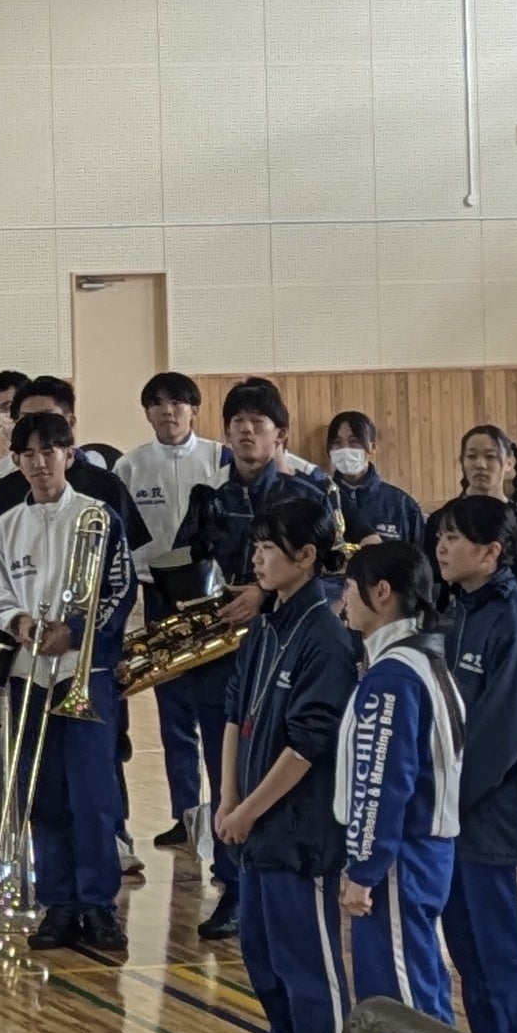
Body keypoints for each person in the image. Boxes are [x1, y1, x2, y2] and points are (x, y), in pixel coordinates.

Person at [0, 406, 132, 958]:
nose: (39, 463)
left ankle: (98, 904)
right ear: (16, 461)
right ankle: (58, 903)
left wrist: (74, 631)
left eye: (49, 451)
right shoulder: (7, 526)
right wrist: (21, 623)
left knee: (93, 796)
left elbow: (119, 589)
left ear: (69, 455)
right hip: (29, 676)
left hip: (84, 674)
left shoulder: (98, 517)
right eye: (27, 454)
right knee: (43, 793)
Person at [217, 507, 360, 1033]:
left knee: (308, 963)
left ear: (306, 557)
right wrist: (227, 799)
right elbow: (234, 714)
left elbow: (308, 744)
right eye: (256, 547)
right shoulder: (266, 626)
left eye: (270, 548)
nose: (257, 558)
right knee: (264, 957)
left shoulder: (324, 635)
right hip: (253, 825)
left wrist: (248, 810)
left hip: (298, 829)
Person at [181, 383, 335, 939]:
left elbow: (334, 575)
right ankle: (232, 883)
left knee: (280, 761)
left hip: (287, 644)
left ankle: (271, 882)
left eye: (258, 422)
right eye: (237, 422)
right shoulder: (212, 496)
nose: (246, 431)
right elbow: (189, 565)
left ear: (280, 435)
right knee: (224, 763)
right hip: (226, 652)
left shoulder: (308, 496)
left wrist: (262, 595)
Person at [333, 537, 462, 1033]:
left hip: (398, 858)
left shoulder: (393, 676)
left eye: (349, 588)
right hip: (423, 852)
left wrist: (364, 866)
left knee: (397, 1004)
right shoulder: (426, 661)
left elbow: (384, 780)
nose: (342, 602)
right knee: (426, 995)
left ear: (381, 594)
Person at [428, 494, 517, 1033]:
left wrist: (442, 798)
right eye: (441, 536)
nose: (441, 547)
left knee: (511, 957)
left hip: (501, 824)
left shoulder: (515, 625)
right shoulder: (456, 613)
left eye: (455, 537)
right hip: (456, 820)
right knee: (471, 957)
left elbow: (499, 739)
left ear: (491, 552)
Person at [119, 371, 228, 856]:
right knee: (174, 713)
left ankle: (223, 812)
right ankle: (185, 814)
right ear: (147, 412)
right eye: (158, 404)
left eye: (178, 403)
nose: (169, 411)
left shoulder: (220, 458)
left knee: (217, 711)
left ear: (194, 409)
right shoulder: (130, 466)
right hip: (158, 594)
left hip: (217, 596)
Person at [325, 412, 427, 557]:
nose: (345, 449)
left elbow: (419, 563)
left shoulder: (403, 505)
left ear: (372, 447)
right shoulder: (319, 498)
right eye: (337, 442)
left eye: (354, 442)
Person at [455, 426, 517, 581]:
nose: (480, 464)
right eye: (471, 456)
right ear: (462, 461)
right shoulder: (443, 518)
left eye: (490, 456)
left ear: (509, 463)